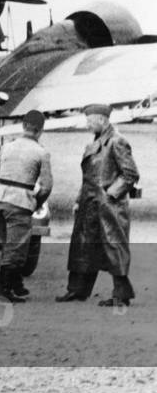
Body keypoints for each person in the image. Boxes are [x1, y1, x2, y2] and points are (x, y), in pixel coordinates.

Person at [57, 103, 140, 307]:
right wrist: (79, 200)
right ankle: (77, 290)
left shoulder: (117, 141)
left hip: (109, 206)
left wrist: (110, 194)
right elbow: (88, 177)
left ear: (102, 120)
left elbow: (130, 174)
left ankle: (121, 294)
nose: (87, 125)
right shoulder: (96, 142)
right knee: (83, 246)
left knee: (114, 247)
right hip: (89, 203)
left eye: (89, 121)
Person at [0, 110, 53, 303]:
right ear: (40, 130)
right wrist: (36, 203)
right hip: (20, 202)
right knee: (16, 249)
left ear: (23, 126)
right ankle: (4, 291)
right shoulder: (41, 152)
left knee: (6, 243)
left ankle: (16, 284)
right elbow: (46, 186)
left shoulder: (6, 147)